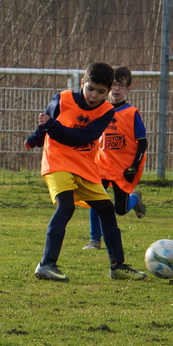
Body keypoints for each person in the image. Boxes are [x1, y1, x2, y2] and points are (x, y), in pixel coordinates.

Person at [25, 62, 147, 282]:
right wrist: (35, 139)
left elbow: (83, 138)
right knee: (66, 206)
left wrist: (52, 126)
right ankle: (46, 264)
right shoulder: (62, 99)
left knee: (107, 209)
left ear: (108, 92)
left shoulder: (107, 111)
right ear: (82, 83)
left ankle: (118, 266)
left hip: (84, 165)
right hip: (58, 161)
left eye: (100, 92)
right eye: (90, 88)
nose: (93, 95)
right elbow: (45, 124)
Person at [80, 67, 148, 251]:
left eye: (121, 85)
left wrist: (134, 166)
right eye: (114, 85)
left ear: (128, 89)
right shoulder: (99, 110)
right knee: (94, 199)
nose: (117, 89)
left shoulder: (131, 113)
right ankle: (94, 240)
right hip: (101, 165)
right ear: (109, 87)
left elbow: (142, 143)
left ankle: (135, 199)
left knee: (120, 209)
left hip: (123, 168)